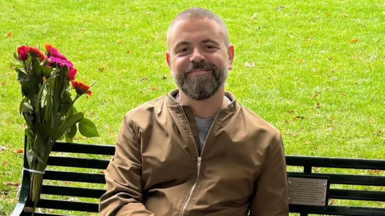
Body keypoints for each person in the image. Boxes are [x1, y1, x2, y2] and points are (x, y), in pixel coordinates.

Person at [99, 7, 289, 216]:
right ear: (169, 62)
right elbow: (118, 199)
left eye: (209, 46)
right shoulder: (139, 124)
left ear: (230, 57)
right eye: (183, 50)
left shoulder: (264, 139)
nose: (197, 57)